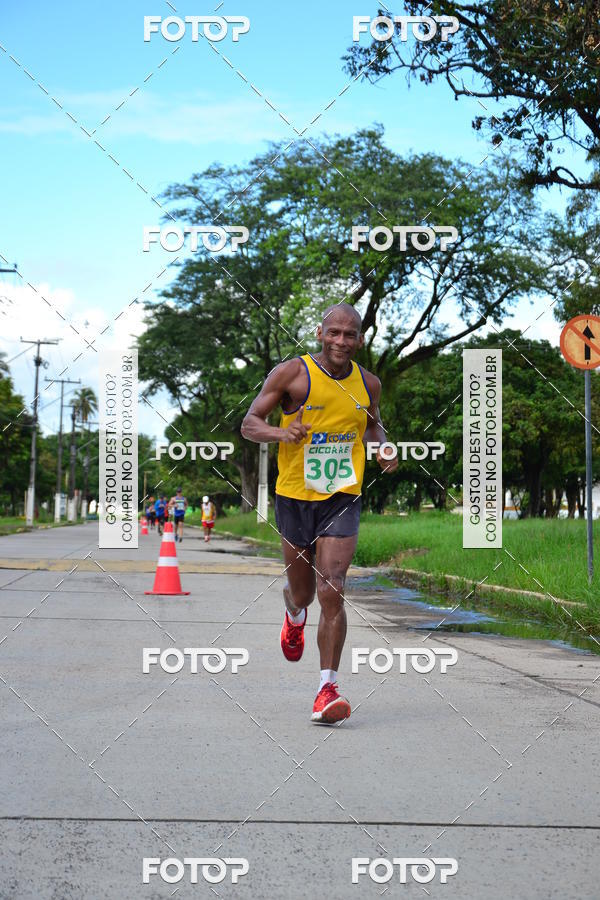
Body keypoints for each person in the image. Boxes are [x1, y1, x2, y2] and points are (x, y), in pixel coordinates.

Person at [241, 303, 397, 723]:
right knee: (305, 592)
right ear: (320, 333)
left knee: (333, 588)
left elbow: (372, 424)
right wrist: (280, 432)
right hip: (294, 497)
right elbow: (250, 422)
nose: (341, 342)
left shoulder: (369, 383)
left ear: (361, 339)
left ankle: (327, 689)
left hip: (342, 495)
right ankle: (294, 614)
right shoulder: (292, 374)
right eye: (334, 333)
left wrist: (382, 445)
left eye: (350, 335)